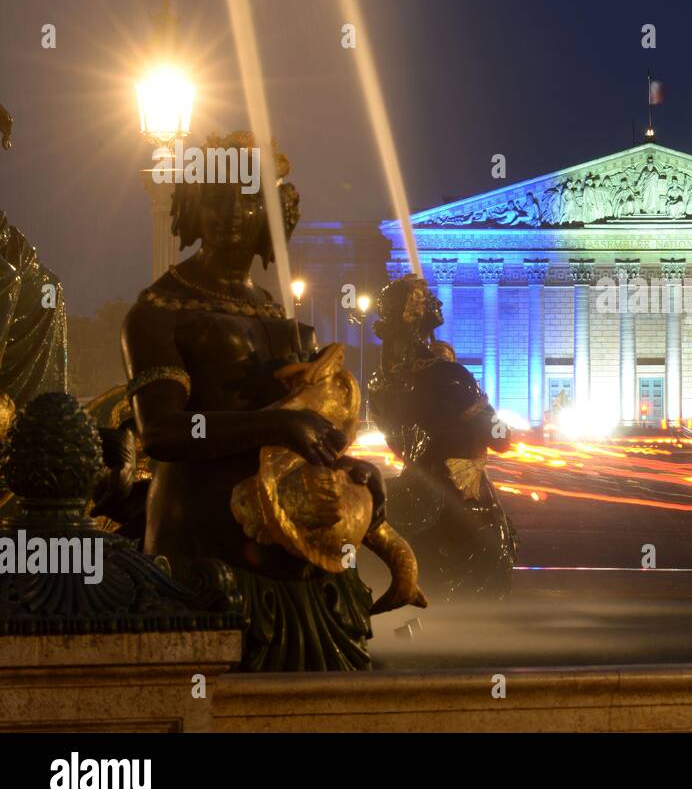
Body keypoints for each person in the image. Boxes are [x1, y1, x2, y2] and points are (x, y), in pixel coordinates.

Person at [121, 132, 418, 671]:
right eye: (217, 197)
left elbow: (303, 437)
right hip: (204, 550)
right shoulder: (158, 313)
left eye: (251, 197)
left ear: (276, 213)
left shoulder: (281, 321)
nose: (233, 213)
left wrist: (353, 471)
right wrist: (275, 426)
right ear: (190, 204)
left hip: (291, 554)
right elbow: (162, 432)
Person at [368, 274, 517, 600]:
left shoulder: (380, 382)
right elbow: (500, 437)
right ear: (415, 312)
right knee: (492, 562)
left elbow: (393, 439)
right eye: (427, 297)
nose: (437, 301)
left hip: (413, 486)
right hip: (461, 494)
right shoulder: (451, 376)